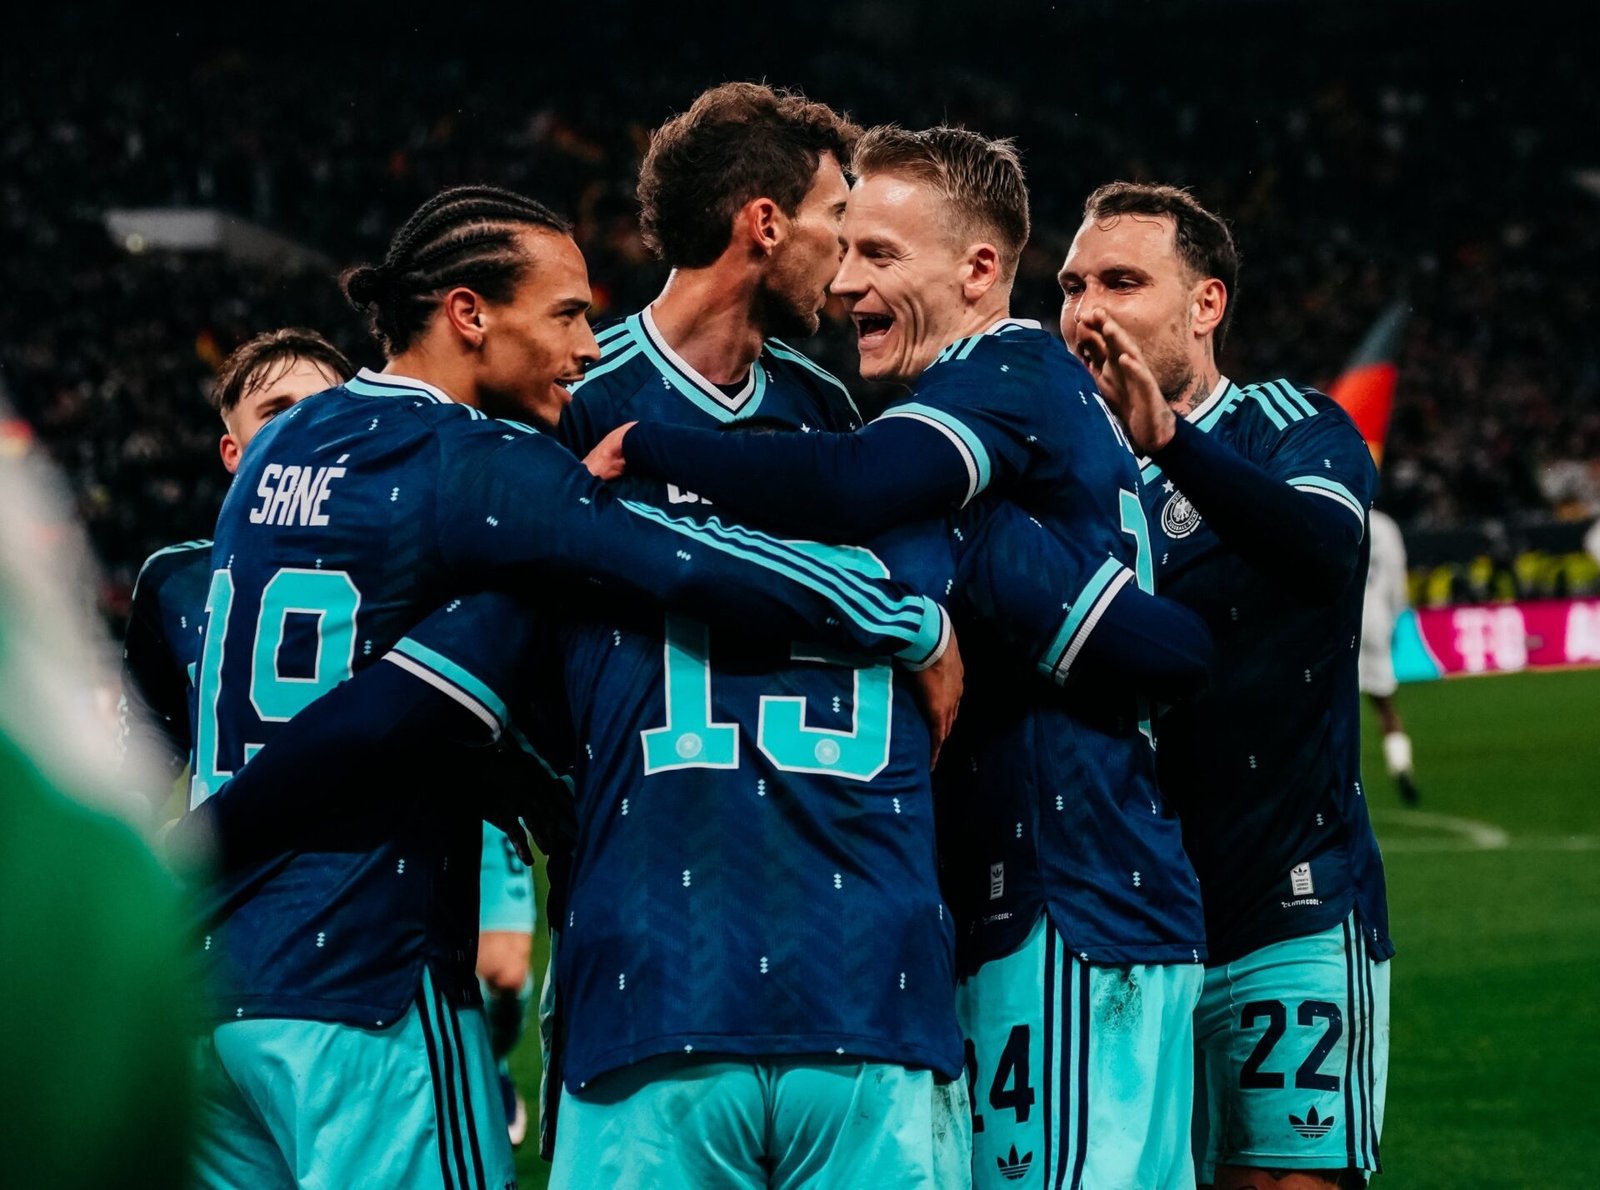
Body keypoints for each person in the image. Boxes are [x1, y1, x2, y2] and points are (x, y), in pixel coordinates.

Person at [183, 183, 961, 1190]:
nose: (589, 348)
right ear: (469, 313)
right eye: (564, 315)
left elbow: (392, 679)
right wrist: (906, 621)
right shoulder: (474, 462)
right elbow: (678, 561)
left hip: (212, 989)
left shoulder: (282, 445)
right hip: (359, 975)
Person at [586, 126, 1212, 1190]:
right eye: (845, 249)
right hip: (1090, 892)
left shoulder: (1001, 372)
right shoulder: (1012, 405)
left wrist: (646, 446)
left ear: (976, 269)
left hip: (1069, 898)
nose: (844, 282)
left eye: (878, 253)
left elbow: (852, 484)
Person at [1062, 180, 1391, 1190]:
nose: (1088, 310)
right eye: (1072, 286)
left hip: (1285, 904)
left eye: (1122, 281)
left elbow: (1321, 550)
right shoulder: (1050, 469)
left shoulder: (1289, 428)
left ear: (1205, 303)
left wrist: (1170, 441)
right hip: (1114, 927)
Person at [117, 328, 351, 805]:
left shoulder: (419, 561)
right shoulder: (174, 579)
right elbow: (148, 749)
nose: (303, 423)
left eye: (324, 407)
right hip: (228, 851)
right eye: (276, 412)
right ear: (233, 453)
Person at [1361, 507, 1419, 804]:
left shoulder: (1333, 509)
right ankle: (1400, 765)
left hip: (1338, 622)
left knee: (1331, 706)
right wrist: (1395, 616)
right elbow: (1397, 578)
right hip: (1376, 620)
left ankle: (1335, 775)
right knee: (1384, 705)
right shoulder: (1385, 526)